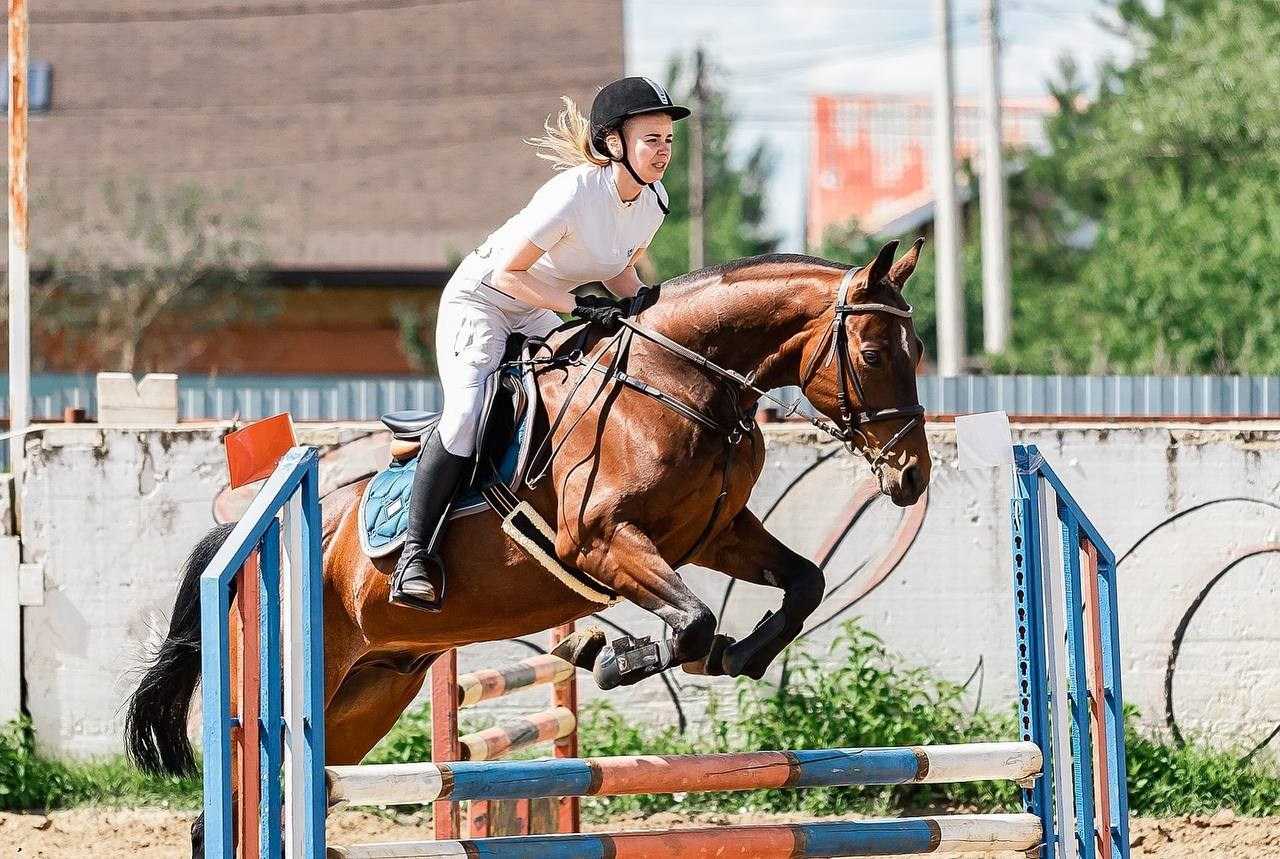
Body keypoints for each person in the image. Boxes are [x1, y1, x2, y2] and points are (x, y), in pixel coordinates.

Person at [391, 77, 691, 611]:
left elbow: (619, 269)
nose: (664, 151)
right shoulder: (575, 192)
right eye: (652, 139)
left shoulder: (654, 201)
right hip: (481, 301)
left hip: (537, 305)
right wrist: (577, 307)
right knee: (466, 415)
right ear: (615, 143)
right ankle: (416, 555)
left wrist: (652, 314)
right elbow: (508, 274)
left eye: (668, 139)